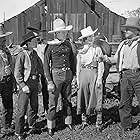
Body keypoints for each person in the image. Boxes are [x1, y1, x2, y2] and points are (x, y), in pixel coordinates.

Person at [102, 17, 140, 132]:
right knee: (124, 102)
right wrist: (105, 58)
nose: (126, 31)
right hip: (125, 76)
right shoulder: (123, 44)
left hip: (138, 75)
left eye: (129, 29)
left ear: (136, 31)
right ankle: (126, 126)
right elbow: (115, 59)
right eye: (126, 29)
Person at [44, 18, 76, 136]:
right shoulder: (50, 46)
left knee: (67, 100)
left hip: (67, 75)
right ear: (56, 33)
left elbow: (73, 59)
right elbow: (46, 65)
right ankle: (51, 126)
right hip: (55, 76)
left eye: (65, 31)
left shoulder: (68, 44)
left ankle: (68, 122)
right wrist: (49, 81)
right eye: (63, 32)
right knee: (53, 102)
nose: (65, 33)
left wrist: (73, 74)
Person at [14, 31, 44, 139]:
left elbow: (39, 68)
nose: (37, 41)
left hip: (35, 83)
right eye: (35, 40)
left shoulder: (35, 54)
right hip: (26, 84)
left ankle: (32, 125)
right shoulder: (22, 55)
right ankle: (19, 132)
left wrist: (39, 82)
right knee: (22, 109)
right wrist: (22, 85)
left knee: (34, 106)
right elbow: (17, 72)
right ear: (29, 43)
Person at [76, 26, 104, 131]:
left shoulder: (97, 49)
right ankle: (84, 121)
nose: (91, 38)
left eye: (92, 36)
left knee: (97, 95)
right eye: (88, 37)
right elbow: (78, 66)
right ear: (84, 39)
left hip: (94, 73)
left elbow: (101, 64)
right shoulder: (80, 51)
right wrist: (78, 79)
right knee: (82, 95)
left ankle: (98, 123)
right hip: (83, 74)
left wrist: (100, 78)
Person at [27, 26, 49, 115]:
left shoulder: (44, 44)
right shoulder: (30, 46)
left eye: (39, 34)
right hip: (33, 73)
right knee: (32, 94)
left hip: (43, 70)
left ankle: (46, 109)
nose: (38, 36)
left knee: (45, 90)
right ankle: (30, 113)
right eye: (36, 34)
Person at [0, 24, 15, 137]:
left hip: (7, 80)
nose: (4, 41)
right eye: (2, 39)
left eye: (4, 39)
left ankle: (7, 126)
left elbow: (12, 65)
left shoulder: (7, 51)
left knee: (8, 104)